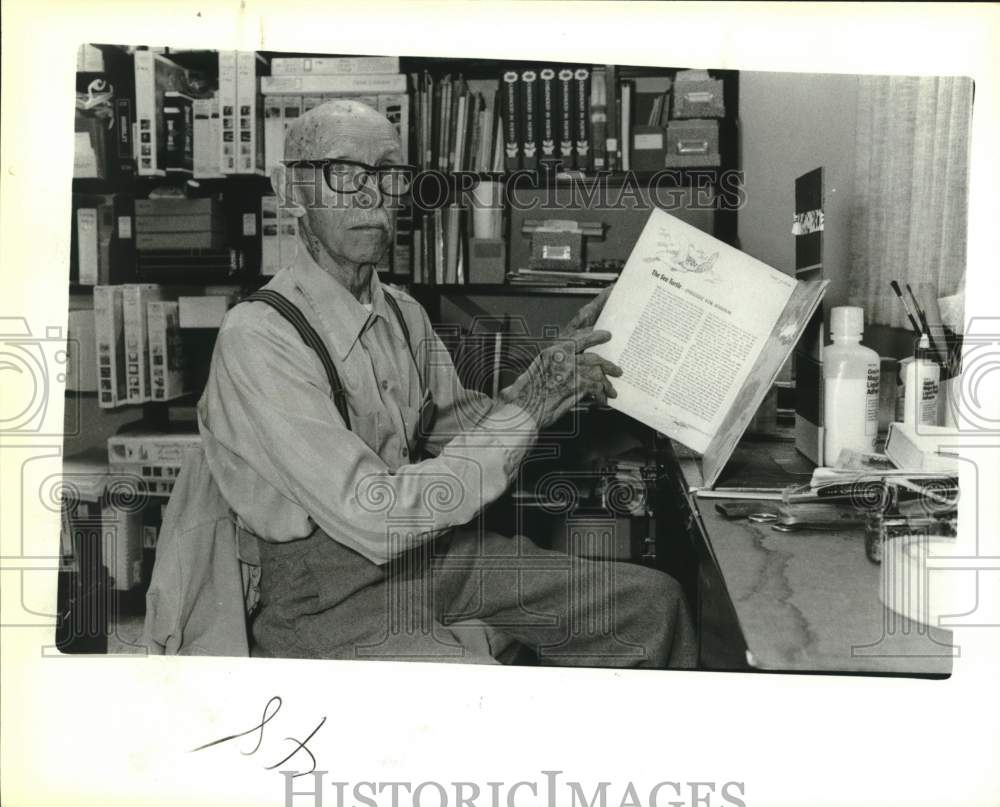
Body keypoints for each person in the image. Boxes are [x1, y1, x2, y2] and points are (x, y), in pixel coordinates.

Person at [197, 98, 696, 667]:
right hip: (324, 597)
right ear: (292, 192)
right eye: (344, 173)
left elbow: (472, 429)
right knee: (478, 700)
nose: (370, 194)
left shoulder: (402, 312)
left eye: (387, 173)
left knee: (654, 604)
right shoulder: (259, 338)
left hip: (430, 557)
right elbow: (375, 516)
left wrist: (556, 368)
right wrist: (530, 408)